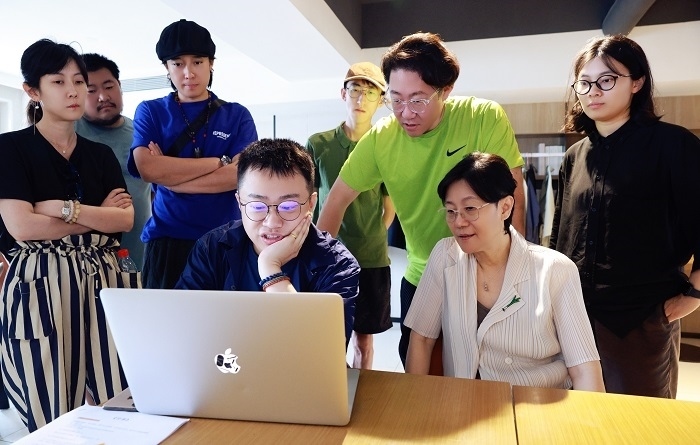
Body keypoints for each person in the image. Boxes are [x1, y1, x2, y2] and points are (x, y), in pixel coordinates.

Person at [317, 32, 526, 366]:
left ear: (446, 90)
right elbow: (337, 199)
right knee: (418, 375)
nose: (405, 113)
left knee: (484, 375)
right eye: (396, 99)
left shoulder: (482, 117)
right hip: (421, 277)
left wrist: (515, 267)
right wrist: (316, 271)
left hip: (485, 274)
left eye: (417, 100)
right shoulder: (382, 139)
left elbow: (512, 193)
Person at [551, 34, 700, 398]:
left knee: (639, 422)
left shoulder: (674, 145)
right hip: (574, 319)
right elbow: (560, 238)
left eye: (607, 80)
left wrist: (692, 297)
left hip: (641, 321)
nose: (593, 92)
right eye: (584, 83)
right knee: (575, 419)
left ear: (637, 82)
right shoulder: (575, 156)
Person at [0, 39, 135, 431]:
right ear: (33, 91)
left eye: (78, 81)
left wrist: (63, 209)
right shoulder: (10, 148)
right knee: (50, 403)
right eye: (58, 82)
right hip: (42, 280)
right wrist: (99, 216)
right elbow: (22, 226)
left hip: (107, 275)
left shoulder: (100, 154)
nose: (74, 91)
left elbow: (125, 221)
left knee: (123, 395)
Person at [405, 153, 604, 391]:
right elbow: (421, 339)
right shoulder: (445, 257)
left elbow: (583, 368)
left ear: (505, 207)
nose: (458, 222)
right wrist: (413, 402)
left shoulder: (556, 270)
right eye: (451, 211)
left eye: (470, 208)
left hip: (539, 404)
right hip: (465, 403)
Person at [176, 138, 359, 345]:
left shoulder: (337, 265)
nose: (272, 222)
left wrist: (270, 269)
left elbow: (322, 349)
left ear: (311, 204)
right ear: (240, 203)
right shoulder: (212, 248)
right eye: (257, 206)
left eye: (288, 207)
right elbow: (182, 329)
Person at [128, 19, 258, 289]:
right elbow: (148, 169)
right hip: (167, 242)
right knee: (165, 317)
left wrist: (172, 178)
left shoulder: (237, 115)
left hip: (226, 241)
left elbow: (241, 176)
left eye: (197, 62)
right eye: (178, 64)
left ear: (211, 64)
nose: (188, 73)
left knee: (227, 317)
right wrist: (218, 163)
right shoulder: (150, 111)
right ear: (166, 68)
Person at [305, 62, 394, 369]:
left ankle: (362, 392)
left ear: (380, 101)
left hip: (370, 258)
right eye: (355, 89)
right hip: (326, 256)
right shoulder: (319, 144)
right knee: (327, 337)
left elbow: (389, 209)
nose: (361, 99)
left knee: (363, 341)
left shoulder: (385, 146)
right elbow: (308, 199)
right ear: (343, 94)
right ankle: (330, 391)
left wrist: (371, 235)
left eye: (370, 92)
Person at [76, 53, 150, 269]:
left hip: (139, 254)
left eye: (109, 86)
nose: (103, 96)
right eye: (91, 90)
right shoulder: (70, 134)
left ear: (120, 86)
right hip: (87, 258)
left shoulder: (141, 134)